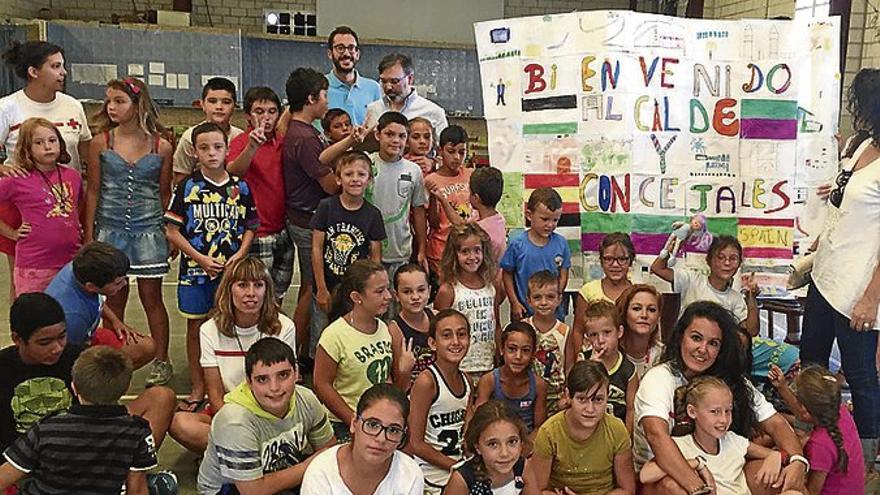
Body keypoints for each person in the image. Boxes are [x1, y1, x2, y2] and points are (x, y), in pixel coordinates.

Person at [634, 301, 807, 495]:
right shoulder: (660, 377)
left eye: (713, 343)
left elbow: (776, 424)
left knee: (786, 479)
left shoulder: (728, 381)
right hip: (664, 477)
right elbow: (656, 436)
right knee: (673, 487)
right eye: (696, 338)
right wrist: (699, 488)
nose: (703, 349)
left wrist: (797, 461)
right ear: (680, 337)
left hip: (723, 475)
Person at [802, 67, 880, 477]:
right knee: (811, 357)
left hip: (856, 286)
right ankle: (816, 436)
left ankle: (865, 463)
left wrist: (871, 297)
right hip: (824, 273)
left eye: (863, 106)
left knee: (860, 373)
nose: (859, 115)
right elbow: (845, 199)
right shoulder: (860, 143)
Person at [0, 293, 175, 455]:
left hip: (83, 444)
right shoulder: (4, 366)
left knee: (161, 396)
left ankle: (133, 471)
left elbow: (105, 410)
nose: (56, 348)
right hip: (23, 456)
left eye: (62, 336)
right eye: (44, 342)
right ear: (18, 339)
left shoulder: (81, 358)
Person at [85, 77, 173, 387]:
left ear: (138, 105)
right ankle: (108, 360)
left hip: (149, 229)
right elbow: (93, 191)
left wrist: (167, 232)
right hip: (110, 230)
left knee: (152, 298)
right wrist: (89, 235)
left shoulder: (161, 145)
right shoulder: (101, 142)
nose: (111, 107)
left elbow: (165, 193)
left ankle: (162, 360)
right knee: (113, 301)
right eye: (108, 101)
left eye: (119, 101)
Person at [165, 122, 258, 412]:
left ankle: (230, 384)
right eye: (204, 148)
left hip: (230, 274)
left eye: (217, 147)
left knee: (231, 326)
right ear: (194, 152)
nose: (211, 153)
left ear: (227, 149)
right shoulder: (187, 187)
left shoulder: (239, 187)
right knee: (196, 328)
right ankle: (197, 386)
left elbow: (250, 227)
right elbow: (171, 230)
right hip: (196, 273)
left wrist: (239, 257)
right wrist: (200, 258)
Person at [169, 257, 297, 453]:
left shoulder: (284, 327)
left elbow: (285, 387)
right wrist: (233, 427)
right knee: (181, 423)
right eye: (243, 285)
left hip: (272, 412)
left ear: (267, 290)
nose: (251, 294)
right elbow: (215, 392)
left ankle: (234, 455)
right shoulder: (209, 330)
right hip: (230, 412)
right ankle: (253, 453)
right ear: (229, 289)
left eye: (258, 285)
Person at [0, 346, 158, 494]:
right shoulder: (137, 432)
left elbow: (2, 479)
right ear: (127, 387)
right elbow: (137, 490)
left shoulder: (46, 429)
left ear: (74, 387)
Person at [0, 41, 91, 298]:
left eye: (63, 66)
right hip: (24, 204)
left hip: (67, 199)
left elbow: (85, 154)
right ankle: (26, 332)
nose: (63, 72)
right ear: (33, 71)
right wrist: (3, 169)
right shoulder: (7, 107)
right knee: (26, 282)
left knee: (71, 279)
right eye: (55, 66)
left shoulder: (73, 106)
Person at [198, 338, 335, 495]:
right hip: (229, 489)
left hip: (281, 476)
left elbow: (329, 450)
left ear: (296, 373)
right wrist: (311, 464)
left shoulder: (306, 398)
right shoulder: (234, 421)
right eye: (262, 379)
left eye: (283, 375)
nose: (274, 387)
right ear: (249, 381)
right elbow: (253, 491)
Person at [313, 260, 414, 440]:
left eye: (387, 288)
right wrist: (354, 420)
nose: (388, 296)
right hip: (344, 424)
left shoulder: (384, 329)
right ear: (356, 297)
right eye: (379, 291)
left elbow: (389, 385)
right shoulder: (334, 335)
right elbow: (322, 385)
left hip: (379, 422)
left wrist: (404, 371)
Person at [639, 376, 786, 495]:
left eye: (727, 411)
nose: (723, 419)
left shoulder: (733, 440)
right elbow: (645, 475)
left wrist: (775, 456)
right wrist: (697, 463)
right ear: (692, 412)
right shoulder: (679, 445)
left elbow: (776, 454)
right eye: (714, 412)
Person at [311, 150, 386, 357]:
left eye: (361, 174)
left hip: (356, 290)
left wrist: (369, 292)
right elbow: (317, 248)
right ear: (338, 178)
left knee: (352, 336)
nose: (355, 179)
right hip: (327, 283)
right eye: (348, 174)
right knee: (322, 336)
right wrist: (321, 287)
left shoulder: (373, 214)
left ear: (369, 180)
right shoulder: (326, 207)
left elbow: (375, 258)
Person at [283, 67, 336, 358]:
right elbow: (329, 186)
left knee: (310, 285)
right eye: (324, 95)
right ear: (311, 98)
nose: (327, 101)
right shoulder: (304, 137)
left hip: (303, 217)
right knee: (312, 288)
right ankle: (300, 350)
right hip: (306, 221)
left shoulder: (301, 131)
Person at [227, 86, 295, 304]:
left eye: (272, 111)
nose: (266, 117)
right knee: (255, 298)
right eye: (259, 111)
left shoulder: (283, 142)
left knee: (278, 295)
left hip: (283, 231)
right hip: (257, 232)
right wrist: (252, 147)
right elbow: (233, 171)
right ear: (248, 115)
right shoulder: (241, 141)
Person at [0, 117, 82, 295]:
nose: (47, 146)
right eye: (39, 142)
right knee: (35, 316)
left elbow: (76, 207)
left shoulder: (73, 176)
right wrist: (11, 233)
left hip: (71, 260)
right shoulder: (17, 180)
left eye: (52, 140)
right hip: (35, 265)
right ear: (27, 148)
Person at [531, 360, 636, 495]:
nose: (590, 409)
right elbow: (537, 490)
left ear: (607, 396)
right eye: (582, 399)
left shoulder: (617, 430)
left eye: (598, 399)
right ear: (568, 396)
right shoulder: (549, 433)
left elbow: (627, 490)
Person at [44, 242, 156, 369]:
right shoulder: (73, 317)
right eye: (117, 283)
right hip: (73, 349)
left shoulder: (79, 269)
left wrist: (115, 321)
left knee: (146, 347)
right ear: (91, 286)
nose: (124, 284)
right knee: (114, 369)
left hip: (87, 336)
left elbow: (97, 300)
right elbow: (66, 356)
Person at [301, 383, 425, 494]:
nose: (381, 439)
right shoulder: (321, 473)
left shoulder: (410, 474)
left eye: (393, 430)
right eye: (372, 425)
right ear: (354, 423)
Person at [406, 309, 471, 494]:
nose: (456, 342)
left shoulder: (466, 380)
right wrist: (458, 466)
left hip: (457, 470)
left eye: (461, 334)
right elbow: (416, 443)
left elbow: (465, 430)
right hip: (431, 476)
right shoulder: (427, 382)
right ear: (433, 343)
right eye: (446, 335)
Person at [434, 223, 503, 384]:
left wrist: (499, 353)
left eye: (477, 250)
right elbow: (438, 331)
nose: (472, 257)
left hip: (488, 365)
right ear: (454, 254)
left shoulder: (491, 286)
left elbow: (496, 325)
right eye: (465, 251)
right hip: (459, 368)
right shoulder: (448, 290)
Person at [651, 234, 760, 336]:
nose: (727, 263)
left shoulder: (736, 298)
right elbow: (657, 268)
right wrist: (668, 251)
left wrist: (752, 299)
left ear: (739, 263)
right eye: (720, 257)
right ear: (709, 260)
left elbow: (752, 331)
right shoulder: (691, 280)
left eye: (733, 259)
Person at [367, 111, 429, 286]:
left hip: (400, 250)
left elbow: (418, 211)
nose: (396, 140)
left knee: (397, 303)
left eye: (401, 136)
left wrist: (422, 249)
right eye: (389, 134)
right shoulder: (365, 163)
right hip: (367, 250)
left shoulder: (413, 170)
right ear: (377, 135)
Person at [500, 187, 570, 322]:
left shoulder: (561, 243)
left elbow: (564, 272)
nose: (550, 225)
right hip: (524, 312)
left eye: (555, 220)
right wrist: (514, 303)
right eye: (544, 219)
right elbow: (507, 273)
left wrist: (556, 297)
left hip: (553, 313)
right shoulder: (517, 244)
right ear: (529, 215)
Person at [443, 400, 539, 495]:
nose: (504, 453)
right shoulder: (462, 480)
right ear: (477, 447)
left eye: (512, 442)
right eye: (493, 444)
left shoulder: (523, 467)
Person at [575, 300, 638, 433]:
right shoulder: (582, 360)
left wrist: (626, 438)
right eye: (594, 335)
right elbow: (574, 400)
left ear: (619, 332)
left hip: (616, 433)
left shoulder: (629, 370)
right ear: (587, 338)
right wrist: (590, 368)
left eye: (607, 332)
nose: (601, 340)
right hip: (588, 431)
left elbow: (631, 410)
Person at [475, 322, 547, 433]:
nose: (518, 356)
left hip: (527, 443)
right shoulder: (489, 381)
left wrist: (526, 447)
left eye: (526, 350)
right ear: (502, 349)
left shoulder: (538, 385)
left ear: (533, 353)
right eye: (512, 349)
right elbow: (478, 422)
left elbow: (539, 428)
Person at [172, 77, 242, 184]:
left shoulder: (240, 137)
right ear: (202, 105)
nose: (219, 107)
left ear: (234, 106)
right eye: (212, 101)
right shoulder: (189, 137)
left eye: (226, 102)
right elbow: (180, 179)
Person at [426, 125, 476, 275]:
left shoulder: (471, 175)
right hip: (442, 250)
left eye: (462, 152)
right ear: (440, 151)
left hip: (469, 249)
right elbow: (434, 223)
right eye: (451, 151)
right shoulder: (431, 180)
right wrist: (435, 199)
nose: (456, 157)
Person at [364, 53, 448, 135]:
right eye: (384, 81)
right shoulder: (373, 109)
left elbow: (442, 147)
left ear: (410, 78)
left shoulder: (433, 112)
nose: (388, 87)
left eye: (395, 81)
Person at [572, 232, 635, 341]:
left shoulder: (637, 293)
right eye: (608, 259)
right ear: (600, 261)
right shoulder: (588, 291)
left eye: (622, 259)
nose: (615, 264)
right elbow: (578, 331)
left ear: (630, 261)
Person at [524, 270, 569, 417]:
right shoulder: (523, 328)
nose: (543, 302)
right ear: (528, 300)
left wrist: (567, 396)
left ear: (559, 299)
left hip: (556, 397)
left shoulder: (565, 331)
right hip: (529, 395)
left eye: (550, 297)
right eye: (537, 297)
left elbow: (569, 367)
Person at [325, 26, 382, 126]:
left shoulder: (373, 88)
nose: (346, 53)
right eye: (340, 48)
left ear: (357, 54)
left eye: (351, 48)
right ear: (330, 54)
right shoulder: (321, 87)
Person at [387, 263, 435, 383]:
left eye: (421, 290)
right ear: (396, 295)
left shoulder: (437, 317)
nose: (415, 296)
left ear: (429, 291)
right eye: (407, 292)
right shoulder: (394, 330)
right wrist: (404, 370)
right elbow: (399, 382)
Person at [617, 284, 665, 379]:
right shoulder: (609, 351)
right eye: (636, 308)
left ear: (658, 317)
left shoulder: (664, 356)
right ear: (624, 313)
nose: (644, 315)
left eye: (651, 310)